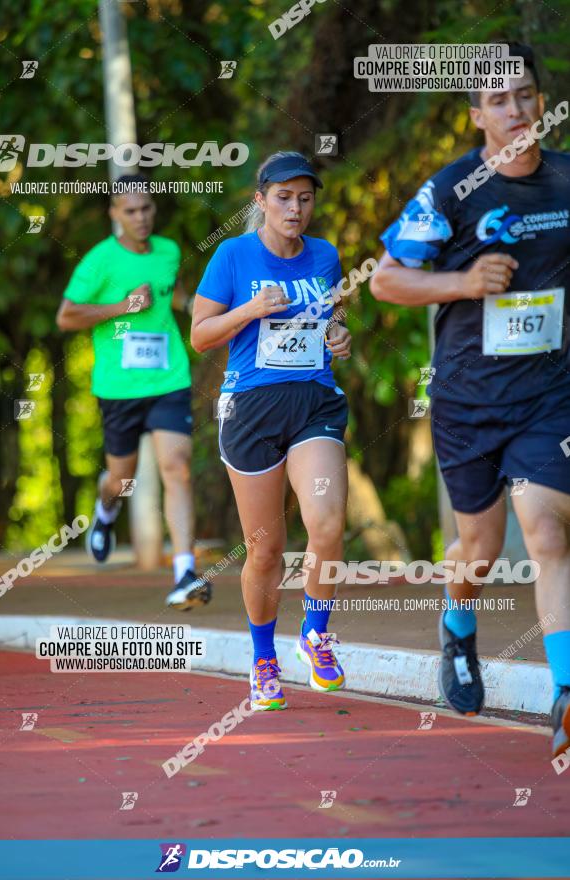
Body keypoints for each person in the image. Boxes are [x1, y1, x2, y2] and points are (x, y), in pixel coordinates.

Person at [370, 43, 570, 757]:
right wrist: (461, 283)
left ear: (539, 102)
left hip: (548, 396)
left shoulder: (566, 182)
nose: (512, 110)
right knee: (480, 548)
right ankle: (457, 627)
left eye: (522, 94)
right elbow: (386, 281)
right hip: (467, 401)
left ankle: (565, 693)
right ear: (475, 115)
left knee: (547, 532)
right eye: (496, 100)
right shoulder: (451, 191)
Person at [191, 151, 352, 710]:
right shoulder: (233, 256)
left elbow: (330, 318)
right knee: (267, 551)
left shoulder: (326, 256)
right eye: (283, 197)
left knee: (327, 524)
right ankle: (263, 658)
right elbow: (201, 334)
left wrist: (338, 336)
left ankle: (315, 632)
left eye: (305, 198)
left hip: (314, 404)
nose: (295, 208)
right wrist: (250, 310)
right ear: (260, 201)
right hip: (251, 411)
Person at [56, 174, 211, 611]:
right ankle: (106, 512)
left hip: (168, 379)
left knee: (176, 467)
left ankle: (185, 570)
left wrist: (207, 310)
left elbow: (175, 294)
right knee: (121, 480)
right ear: (114, 214)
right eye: (130, 211)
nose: (140, 218)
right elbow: (66, 317)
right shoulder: (99, 261)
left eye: (146, 209)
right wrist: (122, 307)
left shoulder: (168, 251)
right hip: (119, 388)